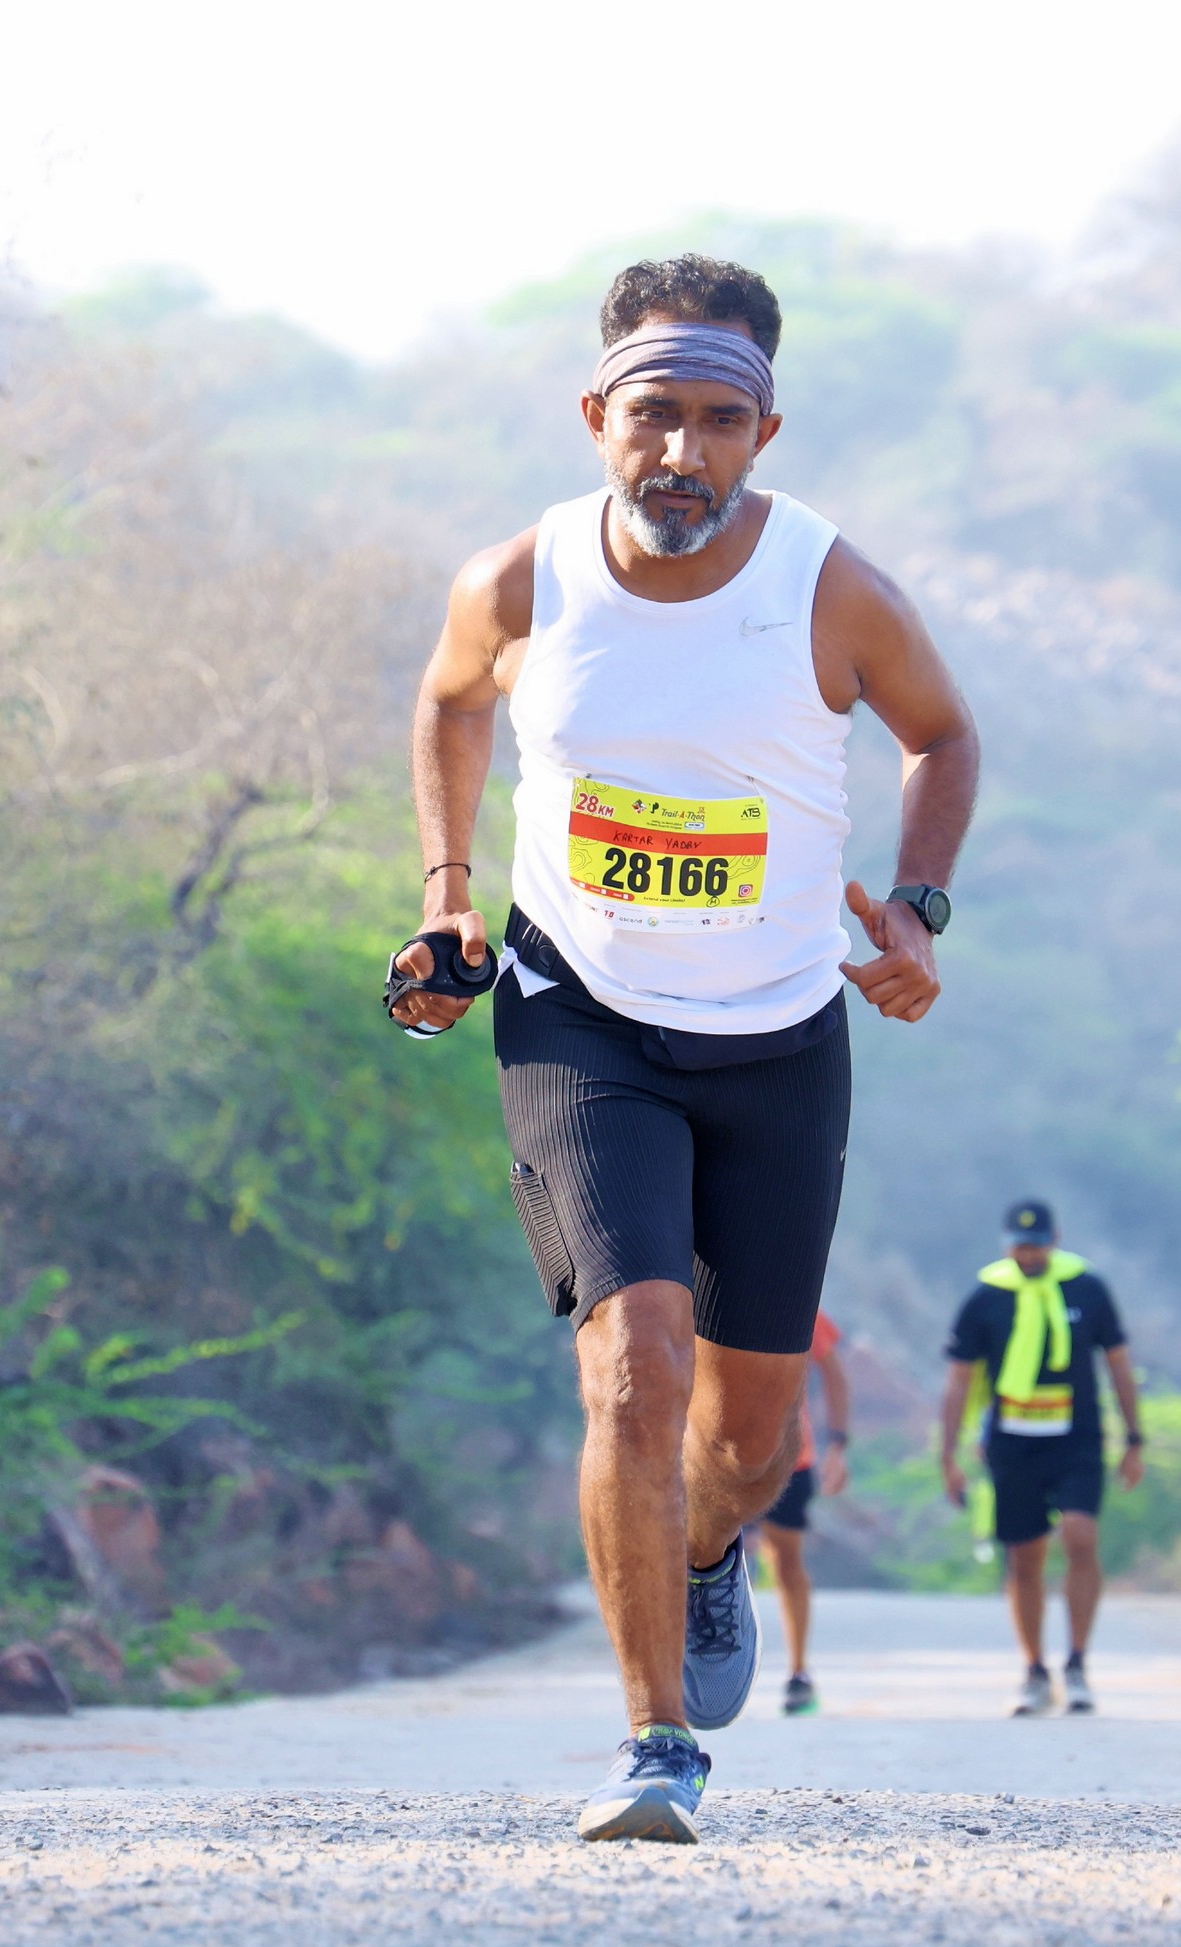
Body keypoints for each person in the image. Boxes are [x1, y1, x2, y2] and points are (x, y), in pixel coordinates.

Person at [388, 255, 980, 1841]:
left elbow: (941, 733)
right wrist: (447, 894)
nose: (681, 453)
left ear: (763, 433)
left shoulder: (829, 590)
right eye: (653, 415)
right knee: (633, 1364)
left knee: (744, 1442)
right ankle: (654, 1742)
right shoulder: (518, 582)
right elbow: (450, 703)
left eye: (720, 422)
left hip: (778, 1030)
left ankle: (707, 1550)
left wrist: (915, 909)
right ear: (596, 415)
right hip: (577, 1014)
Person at [936, 1199, 1145, 1717]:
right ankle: (1034, 1670)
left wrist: (1135, 1438)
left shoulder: (1087, 1289)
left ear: (1055, 1240)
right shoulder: (986, 1298)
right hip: (1012, 1443)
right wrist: (948, 1454)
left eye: (1036, 1245)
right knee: (1024, 1556)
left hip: (1078, 1438)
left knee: (1080, 1535)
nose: (1028, 1254)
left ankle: (1077, 1663)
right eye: (1019, 1246)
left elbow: (1118, 1364)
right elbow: (959, 1381)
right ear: (1007, 1246)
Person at [755, 1310, 854, 1716]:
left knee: (786, 1562)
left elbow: (835, 1374)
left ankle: (799, 1672)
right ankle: (690, 1669)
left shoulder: (798, 1297)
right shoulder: (705, 1291)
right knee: (700, 1558)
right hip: (714, 1455)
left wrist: (838, 1446)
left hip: (788, 1456)